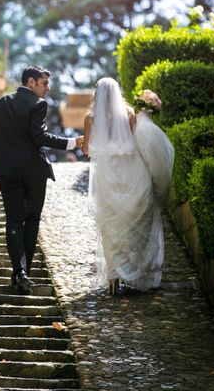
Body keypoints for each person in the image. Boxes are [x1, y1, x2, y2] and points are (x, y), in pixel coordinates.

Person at [0, 65, 84, 295]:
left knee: (13, 221)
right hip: (33, 172)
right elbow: (38, 137)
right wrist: (72, 142)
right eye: (44, 83)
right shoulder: (38, 104)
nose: (48, 88)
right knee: (31, 220)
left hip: (7, 172)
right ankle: (24, 273)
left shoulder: (0, 103)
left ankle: (19, 272)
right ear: (31, 82)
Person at [81, 78, 168, 295]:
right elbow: (138, 141)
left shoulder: (90, 118)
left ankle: (113, 275)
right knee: (131, 220)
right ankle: (130, 269)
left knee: (109, 221)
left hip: (106, 175)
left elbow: (85, 150)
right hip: (130, 172)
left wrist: (90, 142)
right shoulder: (129, 113)